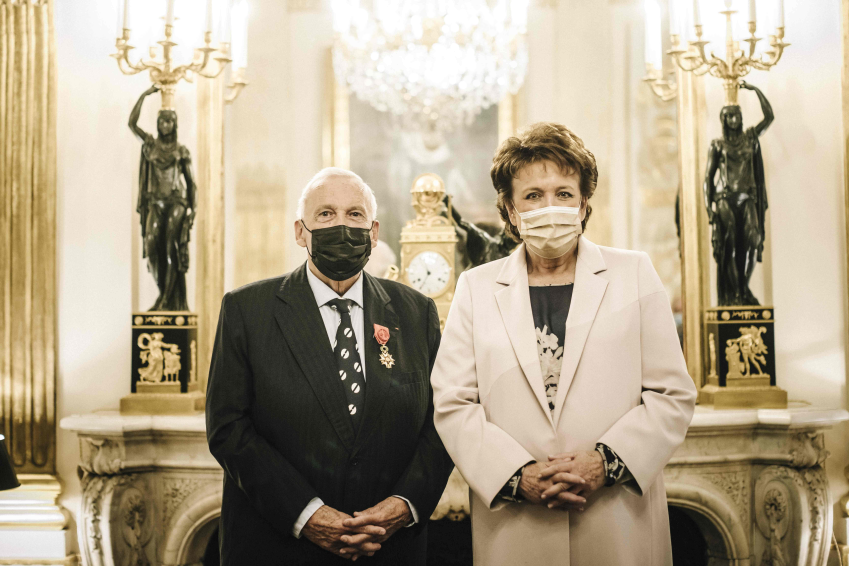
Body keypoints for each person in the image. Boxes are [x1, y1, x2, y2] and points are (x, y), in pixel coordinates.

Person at [431, 122, 697, 566]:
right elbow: (453, 402)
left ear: (584, 205)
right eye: (533, 195)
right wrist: (518, 475)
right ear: (511, 211)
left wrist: (606, 463)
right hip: (516, 522)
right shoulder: (475, 288)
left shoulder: (633, 273)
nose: (549, 206)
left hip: (616, 517)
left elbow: (672, 394)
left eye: (564, 193)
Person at [206, 168, 454, 565]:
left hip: (388, 547)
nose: (341, 225)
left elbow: (442, 420)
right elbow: (228, 428)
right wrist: (308, 515)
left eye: (354, 215)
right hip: (278, 546)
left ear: (373, 233)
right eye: (325, 214)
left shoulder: (415, 312)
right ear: (300, 232)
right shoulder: (246, 311)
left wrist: (403, 504)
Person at [704, 81, 773, 306]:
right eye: (730, 116)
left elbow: (769, 116)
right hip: (725, 199)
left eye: (737, 115)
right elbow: (708, 179)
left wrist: (755, 89)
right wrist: (709, 209)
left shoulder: (750, 138)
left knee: (754, 240)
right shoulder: (718, 145)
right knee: (731, 243)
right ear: (724, 119)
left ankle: (744, 288)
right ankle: (736, 293)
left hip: (747, 199)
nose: (734, 119)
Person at [129, 85, 197, 311]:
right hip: (155, 203)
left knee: (170, 247)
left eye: (169, 121)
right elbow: (131, 123)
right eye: (162, 121)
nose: (164, 125)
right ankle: (163, 294)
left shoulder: (181, 151)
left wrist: (193, 211)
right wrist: (144, 94)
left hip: (177, 202)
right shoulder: (150, 144)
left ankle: (165, 301)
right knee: (151, 246)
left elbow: (191, 183)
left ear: (174, 124)